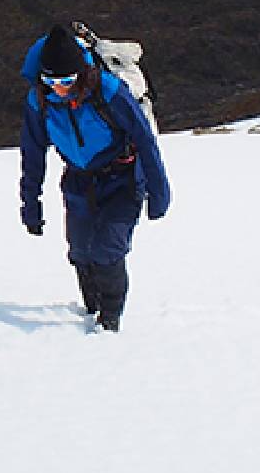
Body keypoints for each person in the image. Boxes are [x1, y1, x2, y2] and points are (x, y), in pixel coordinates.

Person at [19, 23, 171, 332]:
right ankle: (91, 307)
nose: (58, 87)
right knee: (80, 250)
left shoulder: (110, 92)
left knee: (107, 250)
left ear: (82, 73)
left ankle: (110, 320)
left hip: (124, 177)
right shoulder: (40, 101)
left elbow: (144, 139)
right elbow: (32, 154)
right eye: (50, 80)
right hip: (79, 180)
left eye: (65, 80)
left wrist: (159, 191)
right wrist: (30, 204)